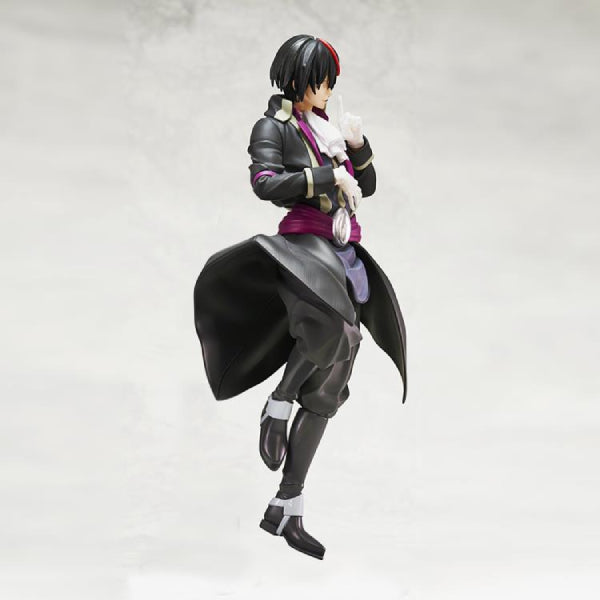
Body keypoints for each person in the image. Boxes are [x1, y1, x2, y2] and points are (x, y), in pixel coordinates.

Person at [193, 34, 406, 560]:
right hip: (301, 247)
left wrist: (357, 148)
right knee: (333, 327)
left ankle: (287, 505)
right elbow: (266, 183)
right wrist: (323, 176)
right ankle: (279, 400)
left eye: (331, 82)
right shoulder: (274, 126)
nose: (326, 90)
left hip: (343, 247)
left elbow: (367, 187)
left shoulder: (328, 130)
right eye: (320, 81)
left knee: (333, 379)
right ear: (296, 80)